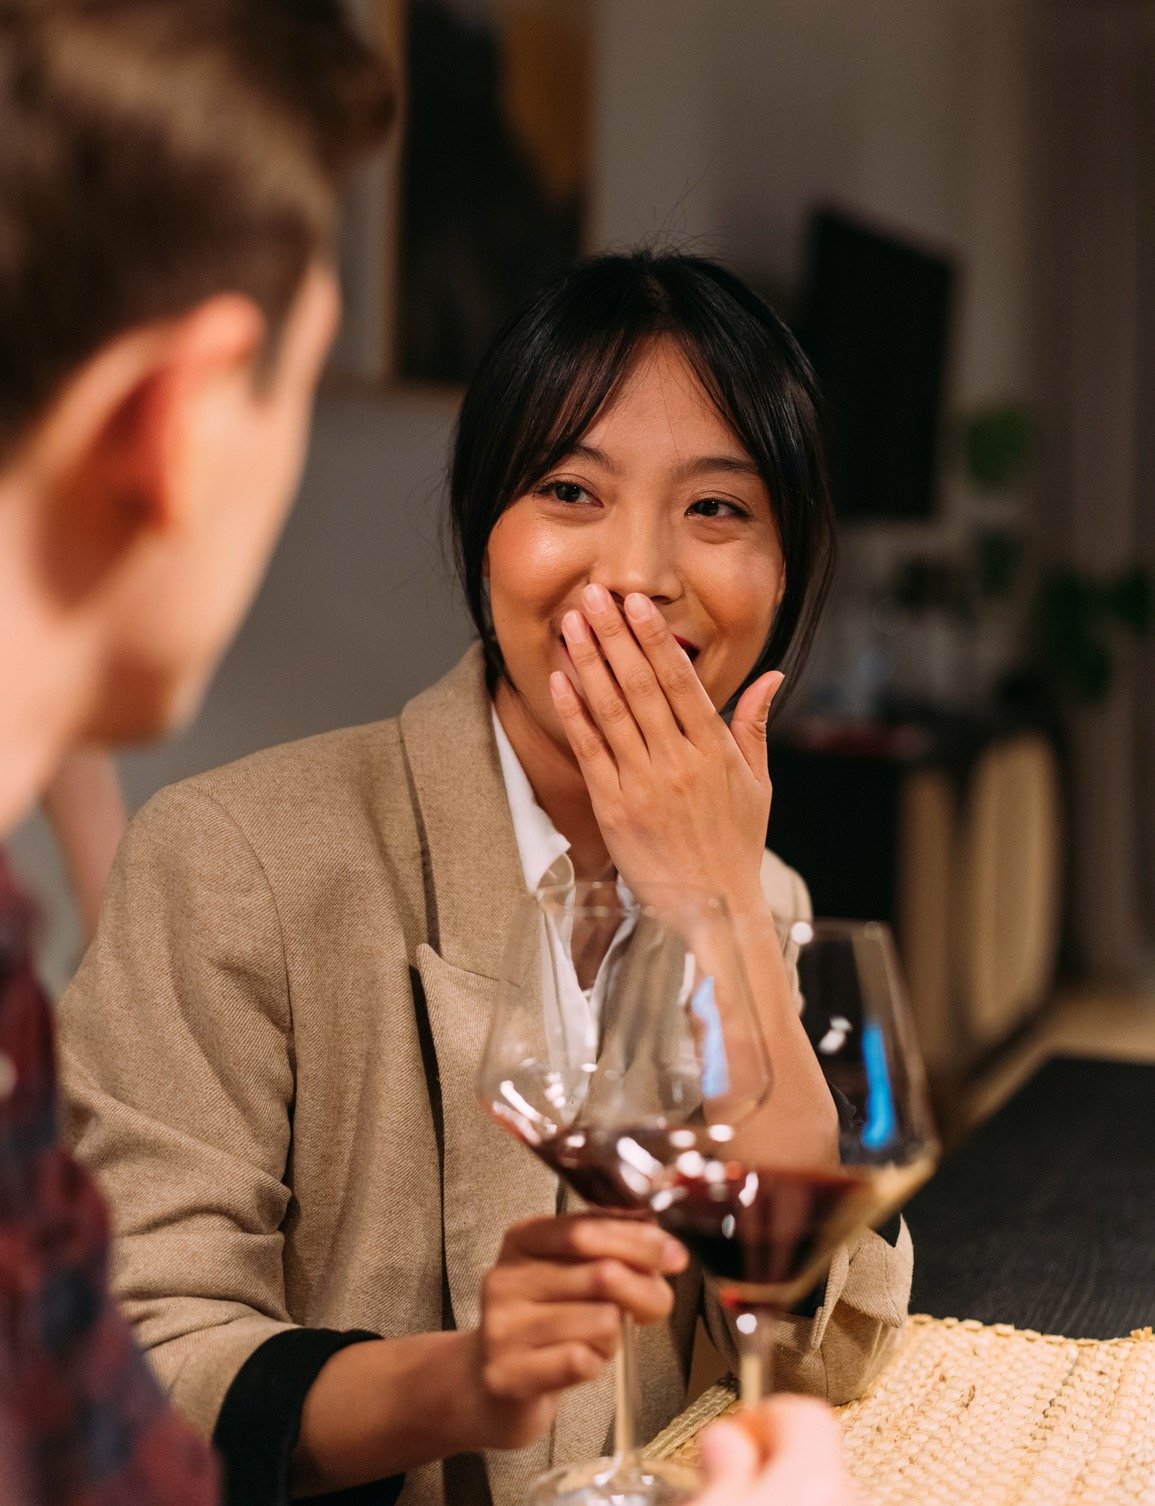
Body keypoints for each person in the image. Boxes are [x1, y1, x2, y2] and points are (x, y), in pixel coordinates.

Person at [60, 250, 913, 1506]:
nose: (636, 576)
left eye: (718, 510)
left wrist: (719, 909)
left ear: (785, 576)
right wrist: (462, 1384)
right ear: (484, 532)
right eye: (571, 489)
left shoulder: (767, 896)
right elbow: (126, 1357)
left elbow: (803, 1342)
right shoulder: (229, 861)